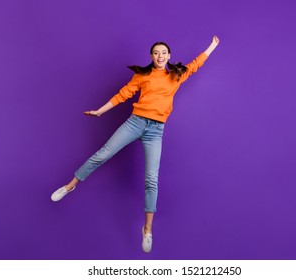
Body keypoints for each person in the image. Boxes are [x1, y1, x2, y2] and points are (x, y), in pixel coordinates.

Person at [51, 36, 220, 253]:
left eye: (164, 52)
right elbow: (124, 94)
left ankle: (147, 229)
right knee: (103, 154)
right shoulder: (143, 75)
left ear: (169, 57)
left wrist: (212, 46)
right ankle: (69, 185)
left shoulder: (177, 76)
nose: (160, 56)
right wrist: (100, 111)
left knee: (152, 178)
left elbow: (196, 64)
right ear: (152, 56)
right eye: (156, 52)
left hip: (156, 130)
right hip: (135, 123)